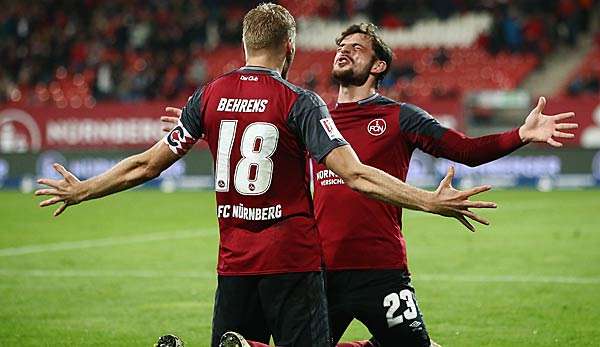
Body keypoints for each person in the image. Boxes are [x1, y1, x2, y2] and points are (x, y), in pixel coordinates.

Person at [36, 5, 497, 347]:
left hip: (233, 263)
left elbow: (147, 163)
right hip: (291, 262)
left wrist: (82, 189)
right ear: (290, 48)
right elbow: (356, 175)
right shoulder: (299, 101)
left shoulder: (208, 97)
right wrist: (429, 201)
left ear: (244, 45)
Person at [163, 22, 578, 347]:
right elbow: (254, 140)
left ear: (378, 65)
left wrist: (519, 135)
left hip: (381, 270)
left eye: (356, 48)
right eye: (340, 47)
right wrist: (198, 127)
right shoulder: (310, 116)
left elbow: (465, 149)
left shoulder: (401, 117)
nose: (343, 51)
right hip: (317, 268)